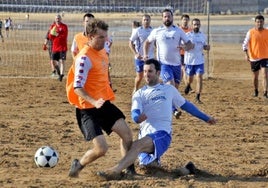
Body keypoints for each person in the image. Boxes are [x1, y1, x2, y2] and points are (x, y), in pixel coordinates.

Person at [97, 58, 216, 180]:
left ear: (158, 73)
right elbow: (135, 112)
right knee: (149, 169)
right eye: (145, 71)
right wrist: (137, 118)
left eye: (150, 71)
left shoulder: (169, 90)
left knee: (137, 145)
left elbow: (187, 106)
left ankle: (115, 171)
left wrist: (206, 118)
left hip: (162, 134)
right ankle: (186, 170)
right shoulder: (139, 93)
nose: (146, 74)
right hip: (145, 135)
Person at [66, 18, 135, 178]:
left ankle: (127, 169)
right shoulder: (84, 58)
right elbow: (77, 87)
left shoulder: (103, 51)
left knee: (127, 135)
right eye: (101, 37)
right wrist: (93, 101)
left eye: (106, 36)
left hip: (103, 104)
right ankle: (79, 164)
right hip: (87, 109)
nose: (106, 40)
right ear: (90, 37)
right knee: (101, 149)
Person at [144, 9, 194, 119]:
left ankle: (164, 106)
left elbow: (190, 45)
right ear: (162, 18)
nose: (167, 18)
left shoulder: (178, 31)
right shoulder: (157, 31)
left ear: (172, 18)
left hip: (176, 65)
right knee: (170, 85)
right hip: (163, 64)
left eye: (169, 16)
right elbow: (147, 42)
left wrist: (184, 47)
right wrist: (145, 55)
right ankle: (174, 110)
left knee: (174, 91)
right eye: (165, 17)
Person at [184, 18, 210, 104]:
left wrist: (207, 47)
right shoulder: (187, 35)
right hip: (190, 61)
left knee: (199, 77)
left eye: (198, 24)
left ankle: (198, 97)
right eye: (194, 24)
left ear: (200, 25)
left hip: (199, 61)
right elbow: (183, 47)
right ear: (191, 25)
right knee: (190, 79)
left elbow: (205, 46)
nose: (196, 26)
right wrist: (189, 46)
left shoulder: (202, 35)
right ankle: (188, 85)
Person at [242, 14, 268, 98]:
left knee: (265, 74)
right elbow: (244, 45)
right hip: (254, 57)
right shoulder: (250, 32)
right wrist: (246, 55)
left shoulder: (267, 31)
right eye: (258, 22)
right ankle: (256, 91)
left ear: (263, 22)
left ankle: (265, 92)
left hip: (265, 56)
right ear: (255, 23)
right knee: (255, 77)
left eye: (261, 22)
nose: (259, 23)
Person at [129, 14, 154, 93]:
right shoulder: (138, 30)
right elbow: (130, 42)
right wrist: (136, 54)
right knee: (139, 76)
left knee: (149, 75)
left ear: (150, 21)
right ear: (142, 21)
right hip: (140, 58)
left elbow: (156, 43)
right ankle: (136, 88)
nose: (146, 21)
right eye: (144, 20)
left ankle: (149, 91)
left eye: (147, 20)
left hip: (150, 57)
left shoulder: (153, 31)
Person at [48, 14, 68, 82]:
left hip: (62, 47)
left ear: (61, 19)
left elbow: (64, 36)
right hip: (55, 47)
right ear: (55, 19)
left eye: (59, 18)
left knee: (62, 61)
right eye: (56, 18)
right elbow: (50, 37)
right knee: (53, 61)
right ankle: (58, 70)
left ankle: (62, 75)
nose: (57, 19)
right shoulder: (52, 26)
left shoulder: (64, 26)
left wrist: (57, 34)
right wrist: (51, 34)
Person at [178, 14, 192, 90]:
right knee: (184, 69)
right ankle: (188, 87)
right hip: (180, 53)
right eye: (184, 19)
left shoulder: (190, 31)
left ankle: (176, 84)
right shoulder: (178, 30)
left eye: (186, 19)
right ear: (181, 20)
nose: (185, 21)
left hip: (188, 54)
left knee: (183, 71)